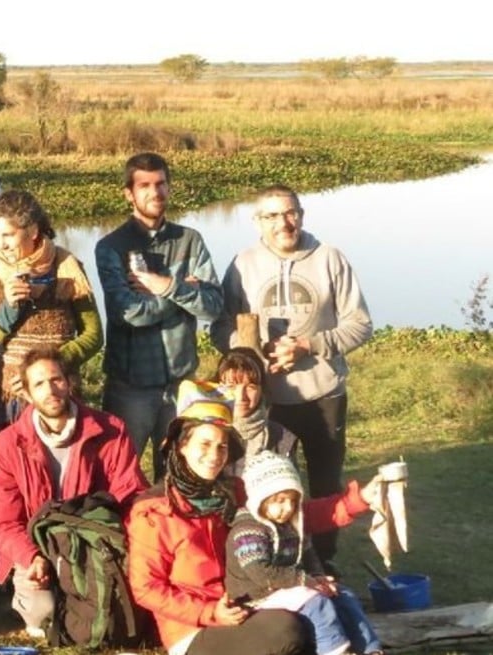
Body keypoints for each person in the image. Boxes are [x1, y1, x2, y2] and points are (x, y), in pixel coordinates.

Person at [125, 385, 380, 655]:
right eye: (204, 444)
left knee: (327, 603)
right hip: (195, 629)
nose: (214, 455)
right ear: (181, 446)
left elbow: (292, 514)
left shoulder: (233, 490)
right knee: (288, 629)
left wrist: (358, 499)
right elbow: (146, 588)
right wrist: (210, 612)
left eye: (222, 446)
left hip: (253, 604)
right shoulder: (154, 512)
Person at [210, 184, 373, 563]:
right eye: (272, 215)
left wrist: (309, 345)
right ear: (257, 222)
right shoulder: (242, 264)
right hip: (268, 401)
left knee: (324, 483)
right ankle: (279, 556)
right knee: (272, 481)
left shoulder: (330, 258)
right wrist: (253, 356)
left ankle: (326, 560)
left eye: (291, 213)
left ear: (301, 214)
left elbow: (361, 325)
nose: (284, 223)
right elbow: (219, 327)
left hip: (323, 395)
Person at [0, 346, 148, 639]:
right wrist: (31, 556)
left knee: (121, 613)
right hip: (37, 549)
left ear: (69, 382)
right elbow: (0, 521)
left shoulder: (110, 430)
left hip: (93, 545)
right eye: (39, 384)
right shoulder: (6, 445)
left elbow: (130, 496)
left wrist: (123, 551)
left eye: (56, 379)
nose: (50, 390)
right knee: (42, 614)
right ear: (28, 394)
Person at [94, 152, 223, 478]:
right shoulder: (111, 247)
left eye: (161, 183)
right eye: (145, 185)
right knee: (121, 477)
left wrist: (166, 285)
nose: (156, 192)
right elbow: (130, 314)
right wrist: (182, 295)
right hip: (130, 388)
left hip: (181, 385)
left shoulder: (190, 241)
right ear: (129, 193)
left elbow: (213, 306)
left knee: (181, 477)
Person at [227, 451, 383, 655]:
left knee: (343, 595)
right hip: (257, 595)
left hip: (289, 586)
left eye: (293, 500)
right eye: (280, 500)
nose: (288, 507)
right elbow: (260, 572)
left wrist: (318, 576)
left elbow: (308, 553)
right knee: (315, 602)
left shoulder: (291, 523)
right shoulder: (248, 530)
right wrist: (305, 580)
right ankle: (334, 649)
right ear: (260, 497)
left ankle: (370, 648)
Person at [0, 189, 102, 430]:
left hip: (59, 390)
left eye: (8, 235)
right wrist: (9, 308)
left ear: (32, 231)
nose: (1, 244)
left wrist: (52, 366)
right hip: (9, 394)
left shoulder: (68, 269)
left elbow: (94, 335)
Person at [213, 347, 297, 476]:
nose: (241, 397)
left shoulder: (281, 438)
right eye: (231, 387)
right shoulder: (203, 432)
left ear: (261, 391)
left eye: (250, 387)